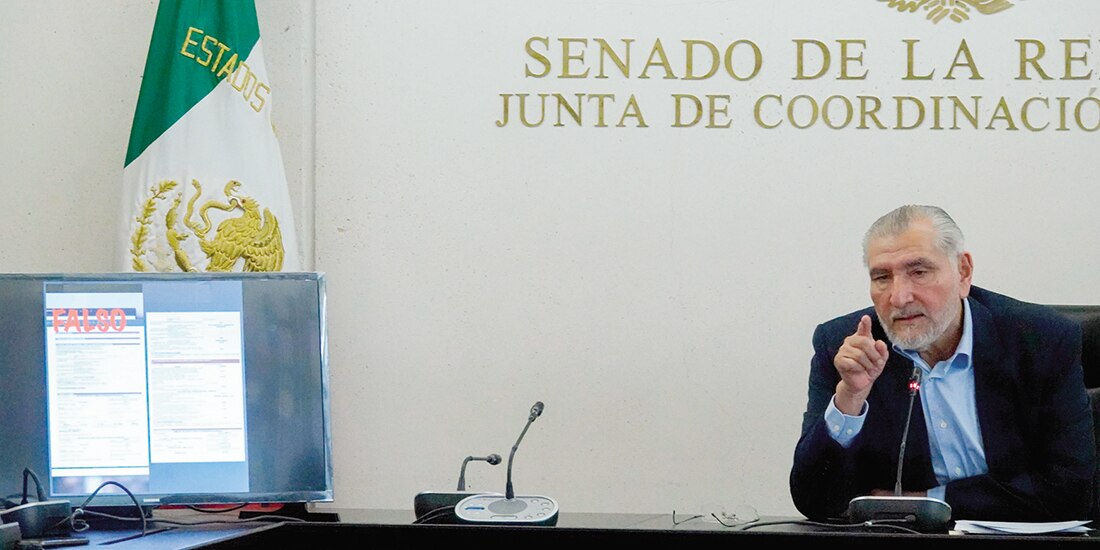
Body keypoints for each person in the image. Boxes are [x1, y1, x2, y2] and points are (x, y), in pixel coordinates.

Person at [790, 205, 1095, 522]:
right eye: (882, 277)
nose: (899, 297)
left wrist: (926, 504)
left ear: (963, 272)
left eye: (919, 272)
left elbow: (1070, 491)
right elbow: (815, 500)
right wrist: (850, 398)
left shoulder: (1041, 340)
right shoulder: (846, 346)